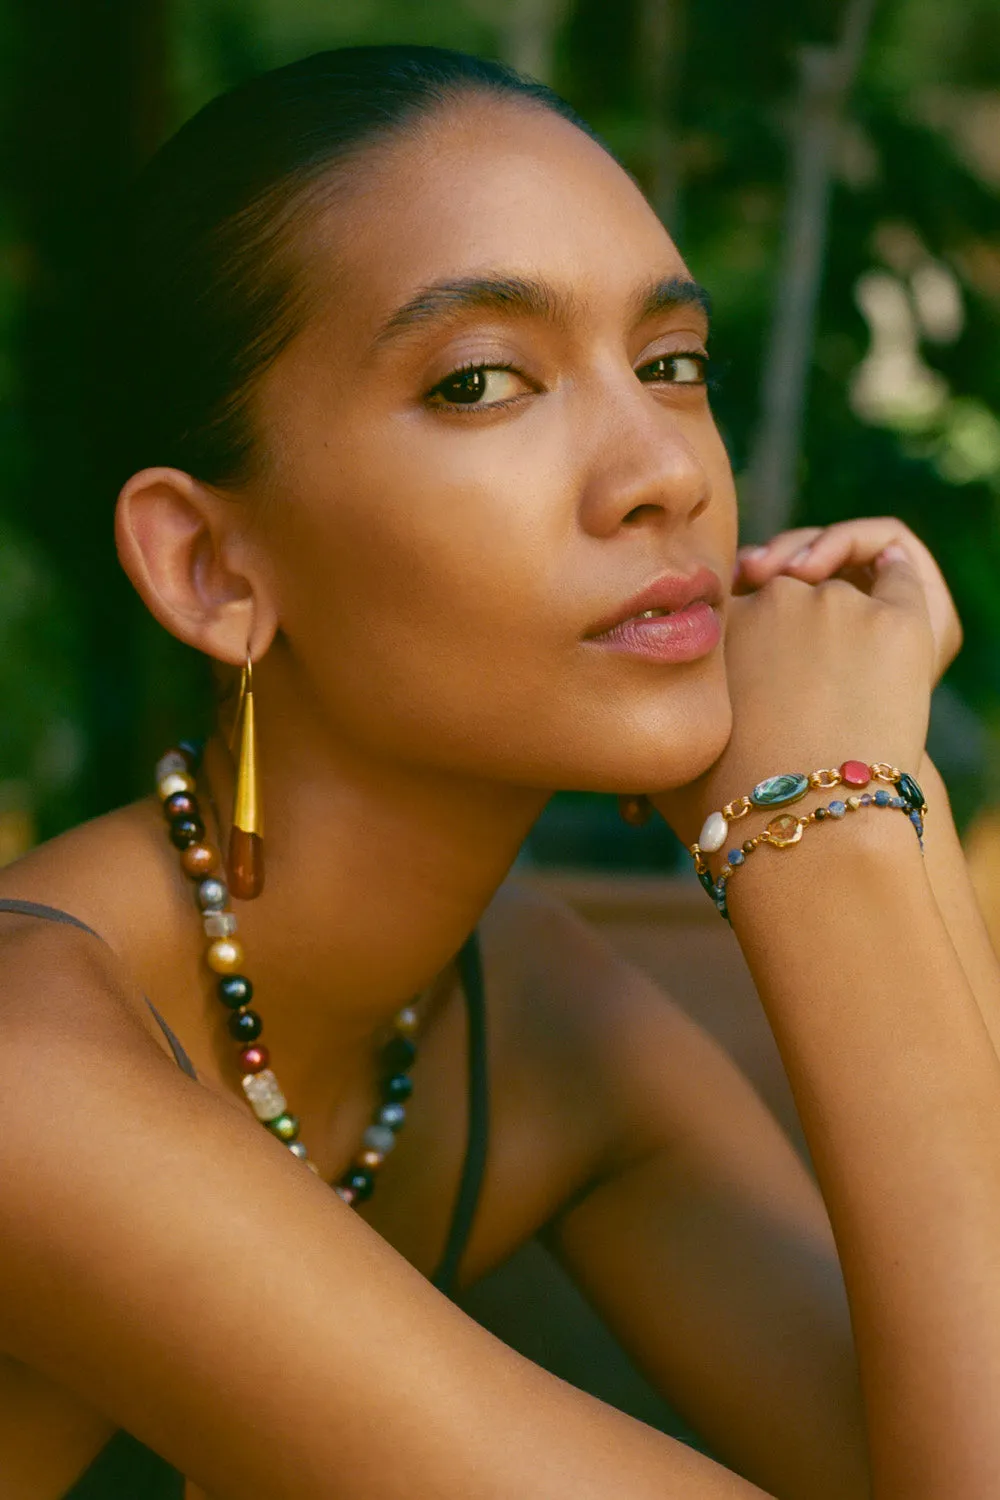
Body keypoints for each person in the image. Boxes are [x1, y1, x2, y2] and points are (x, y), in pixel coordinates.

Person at [1, 43, 998, 1500]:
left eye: (673, 365)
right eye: (481, 383)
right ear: (212, 566)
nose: (661, 468)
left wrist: (844, 809)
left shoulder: (524, 1019)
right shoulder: (33, 1077)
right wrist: (826, 821)